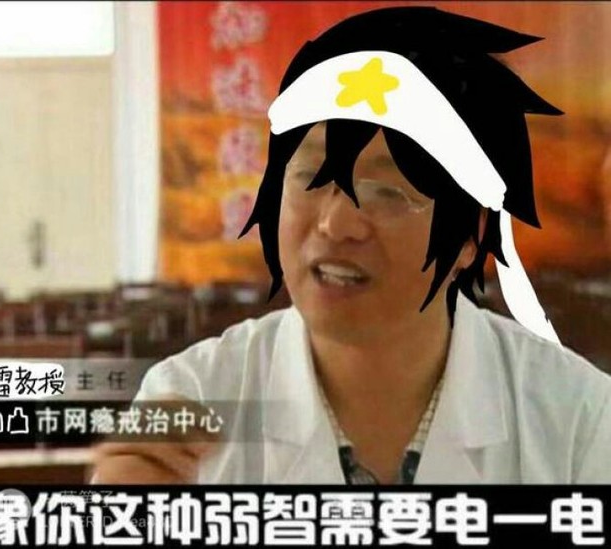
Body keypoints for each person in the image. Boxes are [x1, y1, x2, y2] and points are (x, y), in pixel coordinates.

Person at [91, 6, 611, 484]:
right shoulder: (194, 395)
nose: (336, 223)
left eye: (389, 192)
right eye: (310, 176)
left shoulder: (576, 419)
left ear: (471, 236)